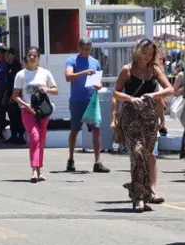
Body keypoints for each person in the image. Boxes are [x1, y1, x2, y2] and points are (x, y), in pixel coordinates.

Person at [112, 38, 173, 210]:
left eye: (150, 54)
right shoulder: (127, 70)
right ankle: (138, 197)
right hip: (131, 116)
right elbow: (115, 92)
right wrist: (130, 98)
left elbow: (170, 89)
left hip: (149, 117)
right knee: (137, 153)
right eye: (144, 53)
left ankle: (146, 192)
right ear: (137, 51)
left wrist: (153, 96)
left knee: (146, 156)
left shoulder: (154, 70)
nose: (146, 57)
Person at [12, 46, 59, 183]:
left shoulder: (45, 73)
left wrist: (47, 89)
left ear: (38, 58)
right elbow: (15, 95)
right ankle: (34, 169)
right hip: (27, 110)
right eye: (30, 55)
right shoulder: (21, 74)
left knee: (41, 139)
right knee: (35, 137)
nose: (32, 57)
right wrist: (26, 105)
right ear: (26, 58)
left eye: (34, 55)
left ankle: (39, 169)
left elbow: (55, 90)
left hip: (43, 110)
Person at [65, 38, 109, 174]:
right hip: (77, 100)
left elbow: (98, 80)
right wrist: (84, 72)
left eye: (88, 49)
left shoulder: (95, 62)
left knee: (96, 129)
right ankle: (71, 159)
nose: (86, 52)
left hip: (91, 100)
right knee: (75, 129)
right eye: (84, 49)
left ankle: (98, 161)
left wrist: (99, 85)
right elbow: (68, 76)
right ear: (79, 47)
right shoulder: (72, 60)